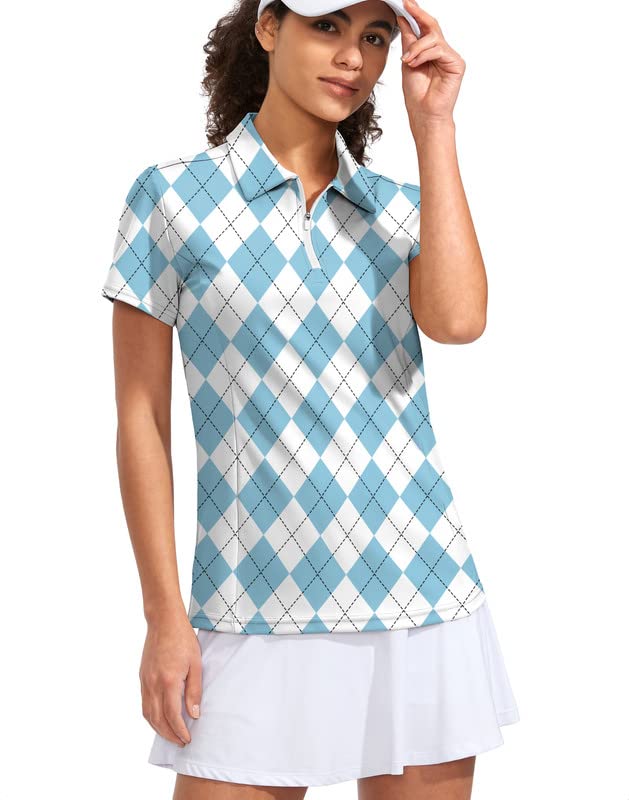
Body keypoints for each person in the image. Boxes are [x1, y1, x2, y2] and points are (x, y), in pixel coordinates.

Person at [101, 0, 520, 797]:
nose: (353, 57)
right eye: (327, 26)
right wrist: (163, 617)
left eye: (374, 36)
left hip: (418, 590)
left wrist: (433, 126)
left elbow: (460, 322)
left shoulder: (399, 209)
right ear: (268, 27)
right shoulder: (172, 199)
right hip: (248, 603)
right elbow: (140, 419)